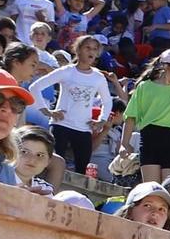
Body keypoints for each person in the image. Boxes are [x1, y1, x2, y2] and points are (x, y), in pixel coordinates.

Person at [30, 35, 114, 172]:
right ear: (78, 50)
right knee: (52, 165)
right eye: (87, 48)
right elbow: (35, 87)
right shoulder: (67, 71)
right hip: (61, 125)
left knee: (81, 170)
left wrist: (102, 120)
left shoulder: (98, 77)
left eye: (94, 49)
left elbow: (107, 101)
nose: (91, 52)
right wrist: (46, 111)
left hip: (83, 128)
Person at [119, 47, 170, 183]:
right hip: (150, 142)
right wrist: (124, 143)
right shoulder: (144, 87)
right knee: (152, 189)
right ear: (166, 67)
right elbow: (130, 117)